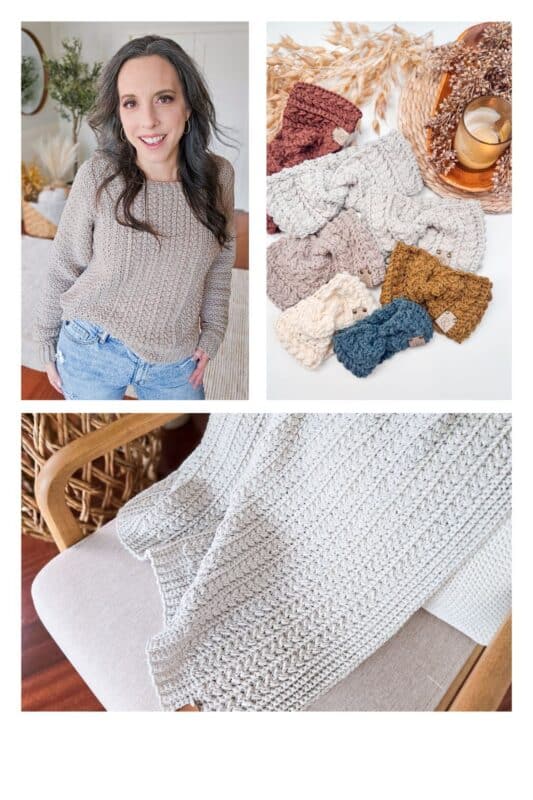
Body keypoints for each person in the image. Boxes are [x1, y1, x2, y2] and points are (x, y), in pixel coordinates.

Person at [34, 34, 236, 399]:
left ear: (188, 106)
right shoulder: (99, 176)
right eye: (131, 103)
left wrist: (214, 329)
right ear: (118, 113)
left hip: (176, 358)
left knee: (186, 439)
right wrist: (46, 338)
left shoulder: (219, 177)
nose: (148, 120)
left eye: (164, 98)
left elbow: (220, 263)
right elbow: (64, 263)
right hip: (91, 346)